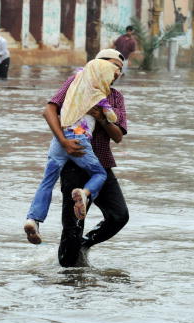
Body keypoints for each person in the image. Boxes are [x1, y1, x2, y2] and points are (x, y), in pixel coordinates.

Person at [40, 49, 128, 267]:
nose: (116, 72)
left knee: (119, 216)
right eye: (113, 66)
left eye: (120, 69)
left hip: (101, 165)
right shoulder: (76, 82)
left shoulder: (115, 97)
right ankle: (68, 282)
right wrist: (63, 141)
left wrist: (103, 119)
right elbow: (49, 110)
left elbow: (118, 137)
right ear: (97, 64)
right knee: (72, 227)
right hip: (73, 162)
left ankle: (85, 244)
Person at [23, 59, 120, 245]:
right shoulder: (98, 93)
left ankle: (33, 219)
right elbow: (113, 118)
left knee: (47, 182)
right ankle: (84, 193)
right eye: (111, 73)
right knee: (99, 173)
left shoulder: (73, 84)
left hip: (60, 139)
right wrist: (104, 113)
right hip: (79, 140)